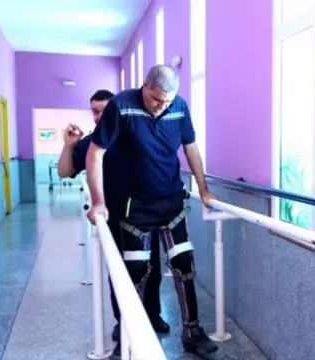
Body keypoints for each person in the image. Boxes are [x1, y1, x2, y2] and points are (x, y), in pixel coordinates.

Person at [85, 65, 218, 355]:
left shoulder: (179, 107)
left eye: (167, 101)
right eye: (157, 100)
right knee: (134, 271)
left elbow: (191, 148)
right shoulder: (121, 105)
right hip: (135, 207)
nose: (161, 107)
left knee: (184, 265)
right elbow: (95, 153)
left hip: (171, 202)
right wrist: (99, 201)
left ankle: (192, 331)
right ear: (145, 85)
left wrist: (204, 189)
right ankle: (128, 337)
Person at [56, 89, 170, 351]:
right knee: (121, 274)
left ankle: (152, 314)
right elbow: (64, 171)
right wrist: (70, 144)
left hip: (143, 217)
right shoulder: (93, 141)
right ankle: (124, 323)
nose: (99, 116)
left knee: (152, 268)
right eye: (95, 111)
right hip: (114, 220)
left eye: (105, 110)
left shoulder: (135, 133)